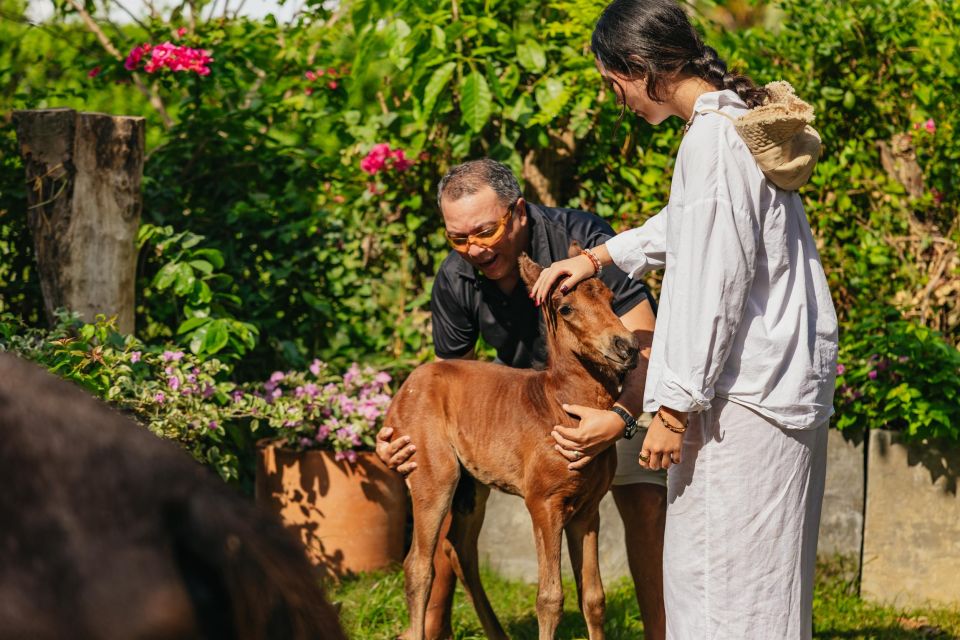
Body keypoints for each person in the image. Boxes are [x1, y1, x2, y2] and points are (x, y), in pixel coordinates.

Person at [530, 1, 838, 638]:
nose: (615, 98)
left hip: (743, 401)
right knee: (765, 581)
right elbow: (694, 227)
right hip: (772, 390)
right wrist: (598, 256)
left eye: (613, 82)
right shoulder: (731, 127)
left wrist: (671, 410)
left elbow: (712, 286)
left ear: (640, 68)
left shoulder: (712, 143)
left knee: (721, 587)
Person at [376, 158, 667, 639]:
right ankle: (431, 626)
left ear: (519, 213)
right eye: (458, 238)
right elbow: (453, 378)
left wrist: (619, 420)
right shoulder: (456, 278)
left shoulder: (581, 239)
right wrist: (407, 436)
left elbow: (643, 343)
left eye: (485, 231)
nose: (473, 248)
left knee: (642, 499)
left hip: (624, 389)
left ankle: (661, 632)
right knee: (449, 497)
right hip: (529, 405)